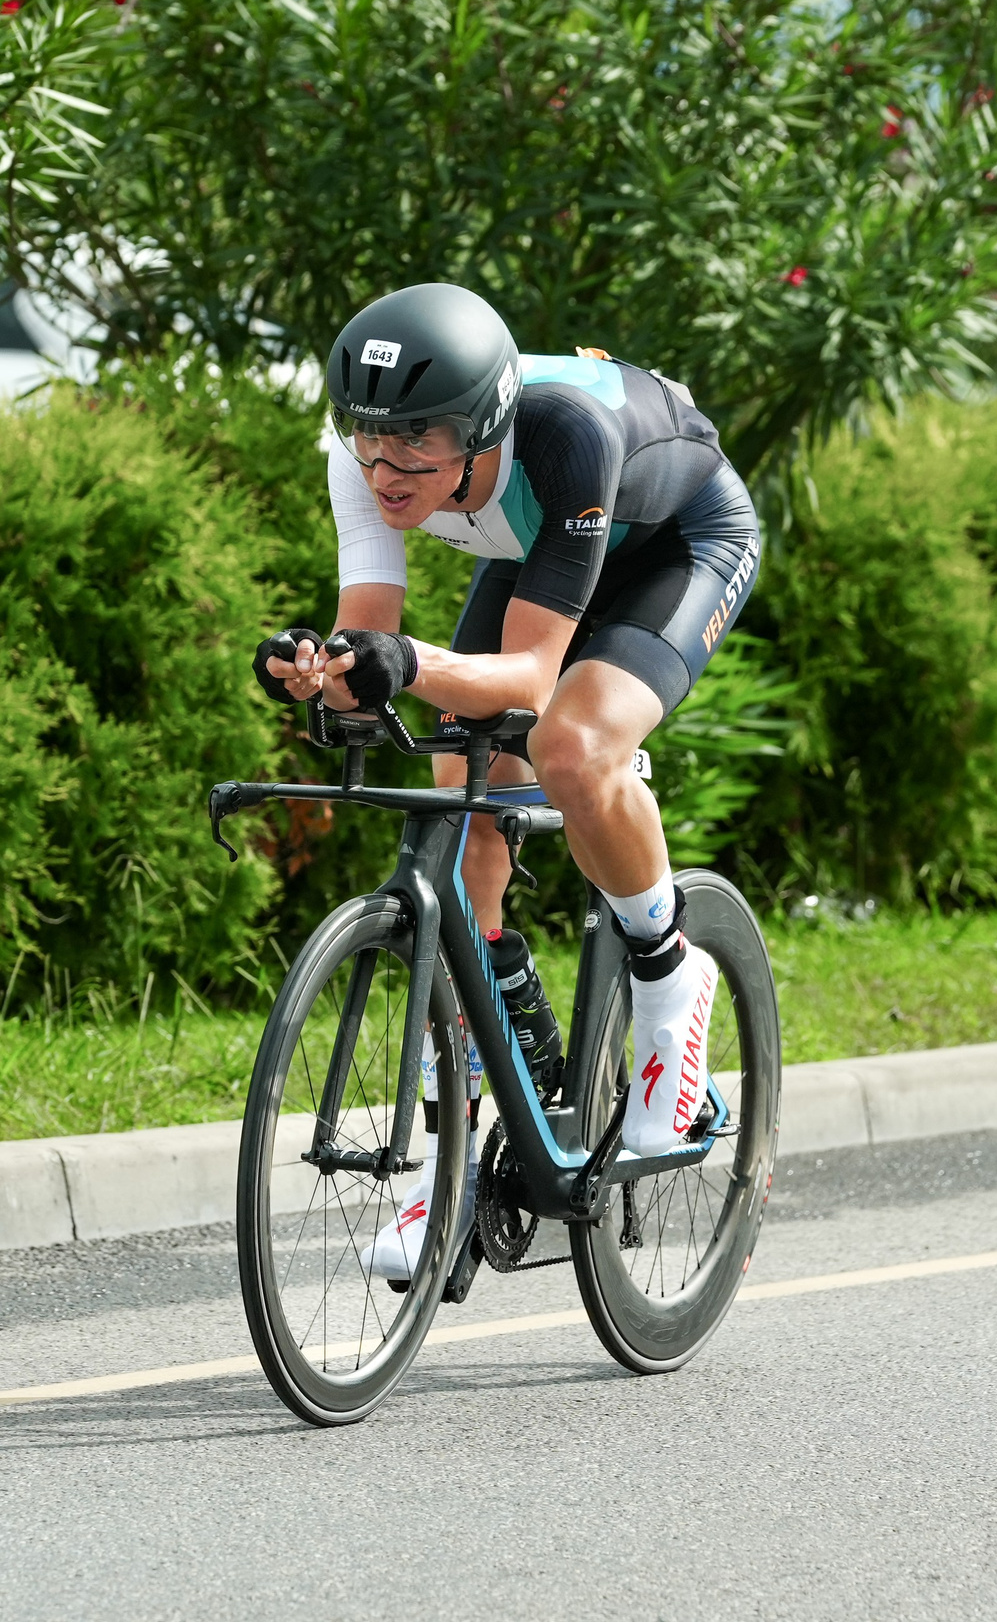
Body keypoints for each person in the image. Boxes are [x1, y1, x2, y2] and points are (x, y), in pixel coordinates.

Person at [251, 282, 761, 1281]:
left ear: (484, 432)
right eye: (370, 442)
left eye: (417, 452)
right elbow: (372, 627)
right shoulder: (360, 455)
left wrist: (399, 659)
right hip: (550, 552)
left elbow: (529, 679)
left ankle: (667, 972)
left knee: (571, 747)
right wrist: (322, 669)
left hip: (677, 543)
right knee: (461, 809)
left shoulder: (562, 436)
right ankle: (461, 1159)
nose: (387, 471)